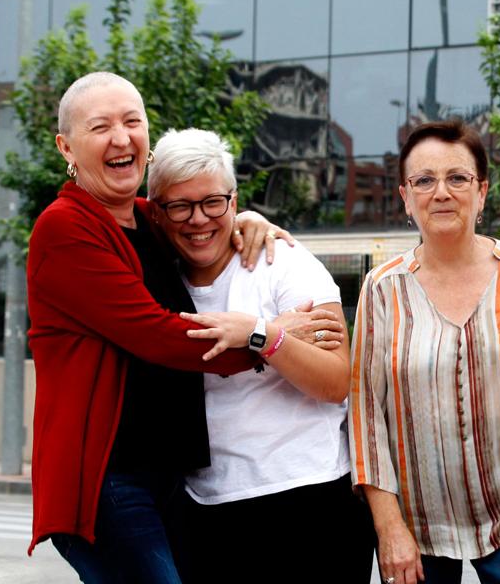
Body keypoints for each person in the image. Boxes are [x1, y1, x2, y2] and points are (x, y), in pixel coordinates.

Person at [26, 71, 292, 583]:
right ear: (67, 147)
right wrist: (269, 340)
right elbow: (156, 333)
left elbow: (201, 219)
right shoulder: (65, 227)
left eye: (132, 121)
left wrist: (244, 217)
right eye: (100, 126)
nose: (121, 137)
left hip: (169, 478)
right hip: (108, 482)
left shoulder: (148, 219)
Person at [348, 119, 500, 584]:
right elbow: (366, 419)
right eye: (424, 180)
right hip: (416, 524)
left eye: (457, 178)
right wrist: (388, 528)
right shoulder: (381, 289)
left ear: (481, 192)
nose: (441, 192)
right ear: (405, 197)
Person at [146, 127, 375, 582]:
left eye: (213, 202)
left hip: (311, 498)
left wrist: (258, 335)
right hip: (208, 508)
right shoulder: (153, 281)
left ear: (234, 199)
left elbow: (334, 382)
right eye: (180, 206)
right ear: (157, 212)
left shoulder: (283, 263)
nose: (199, 219)